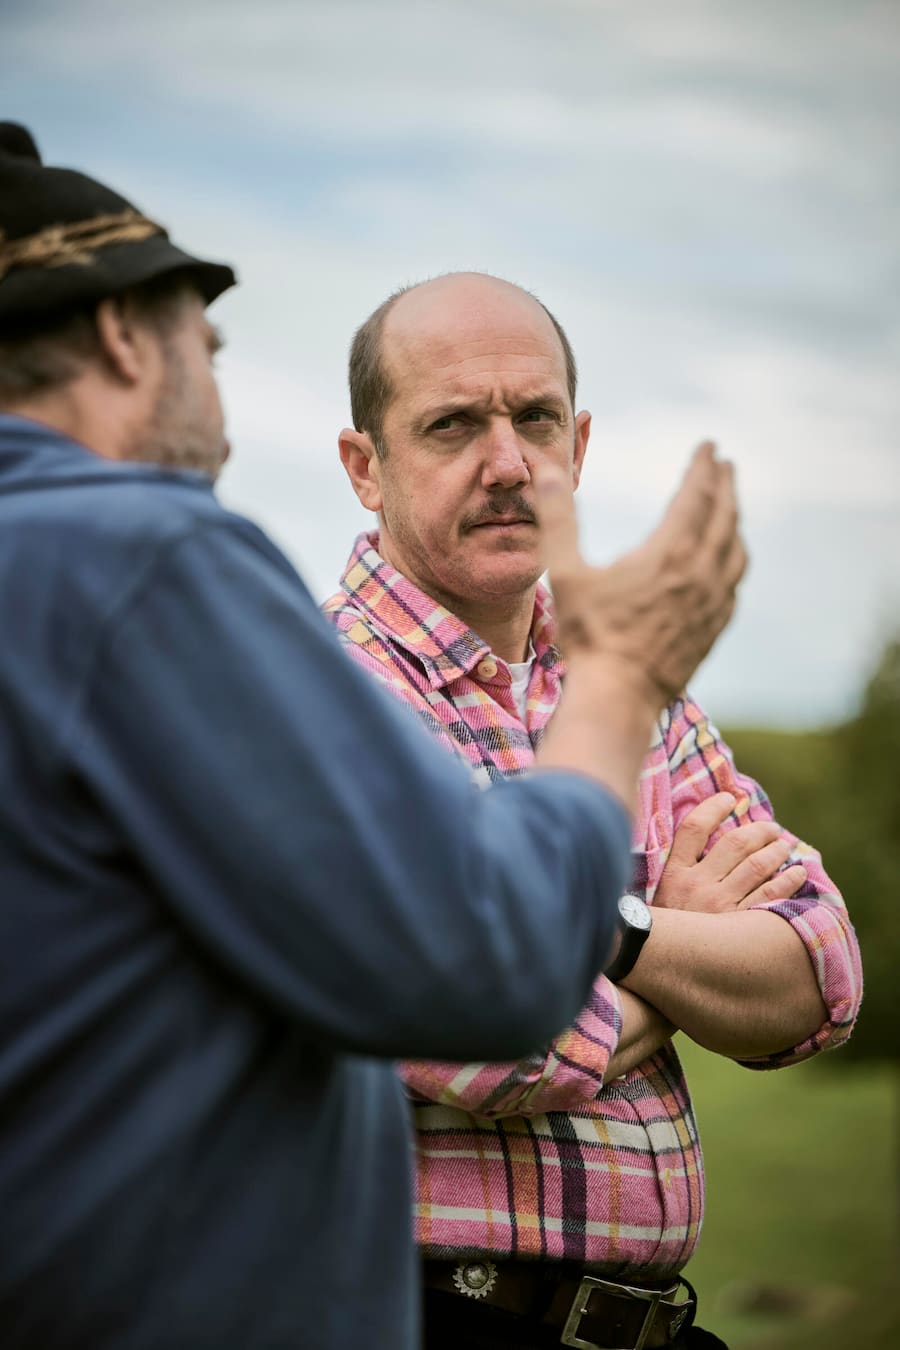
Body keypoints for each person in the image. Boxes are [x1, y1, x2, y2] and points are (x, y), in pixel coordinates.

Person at [0, 132, 747, 1350]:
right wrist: (623, 680)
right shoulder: (135, 551)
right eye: (213, 349)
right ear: (130, 336)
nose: (227, 419)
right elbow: (487, 982)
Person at [325, 271, 864, 1350]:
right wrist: (666, 928)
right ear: (364, 468)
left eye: (534, 419)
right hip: (430, 1318)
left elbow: (819, 975)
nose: (508, 462)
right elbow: (491, 1041)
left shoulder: (623, 674)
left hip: (649, 1327)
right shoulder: (322, 697)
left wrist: (606, 934)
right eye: (451, 426)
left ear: (578, 444)